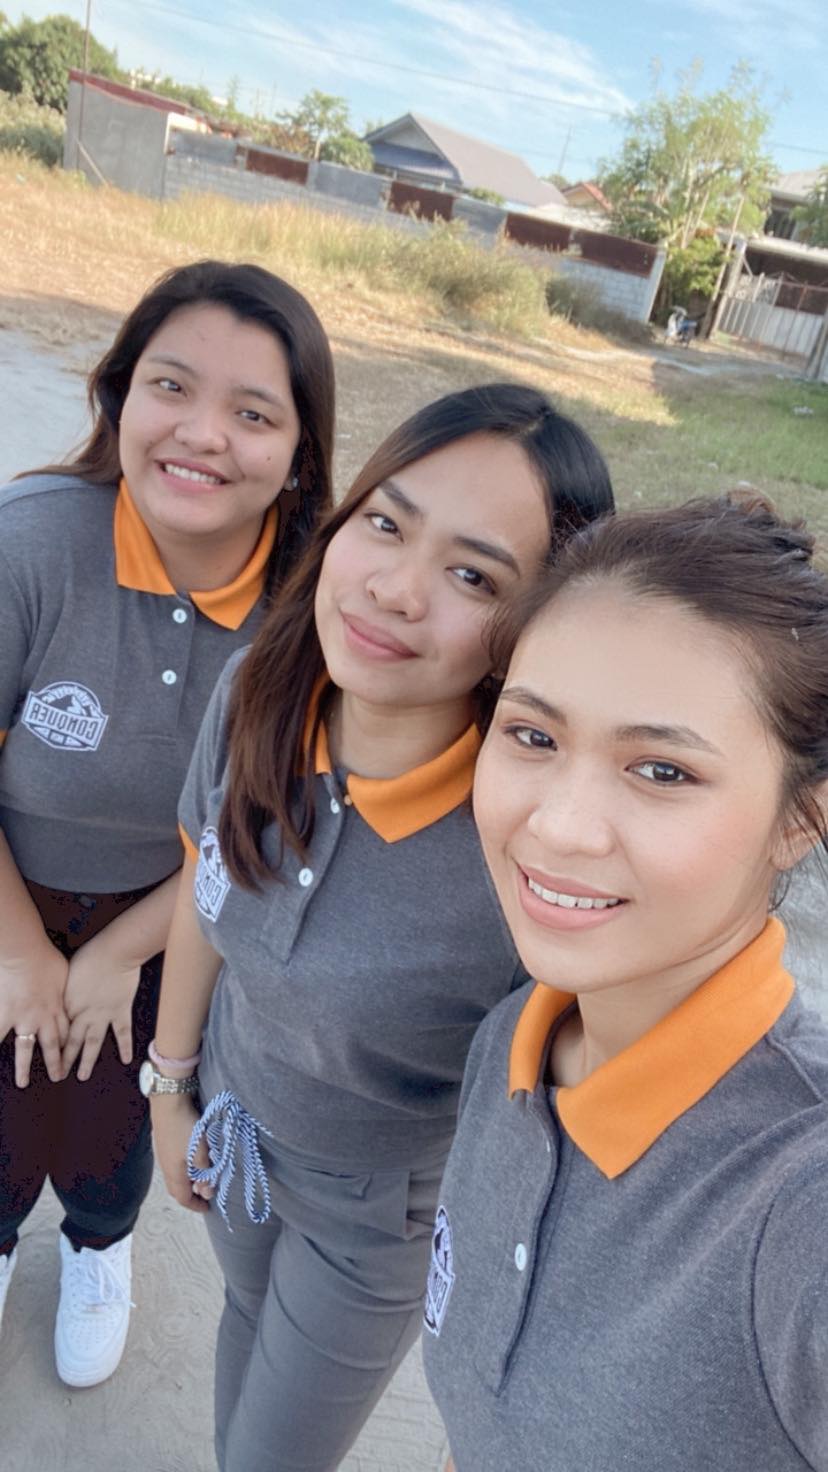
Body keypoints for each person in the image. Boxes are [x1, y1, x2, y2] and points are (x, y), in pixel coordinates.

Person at [148, 382, 614, 1472]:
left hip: (377, 1214)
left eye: (473, 575)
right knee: (243, 1323)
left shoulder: (531, 840)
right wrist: (170, 1088)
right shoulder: (258, 692)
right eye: (388, 524)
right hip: (233, 1126)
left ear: (537, 625)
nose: (395, 590)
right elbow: (202, 888)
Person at [423, 494, 828, 1471]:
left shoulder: (797, 1196)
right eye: (533, 736)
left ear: (799, 819)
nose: (559, 825)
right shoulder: (515, 1037)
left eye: (661, 770)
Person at [0, 259, 335, 1388]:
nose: (201, 435)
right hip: (9, 892)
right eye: (171, 386)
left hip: (183, 918)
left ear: (302, 452)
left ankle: (100, 1245)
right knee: (4, 1100)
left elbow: (265, 831)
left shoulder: (317, 612)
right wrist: (23, 952)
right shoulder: (30, 542)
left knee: (117, 1113)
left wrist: (115, 955)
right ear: (119, 394)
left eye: (254, 413)